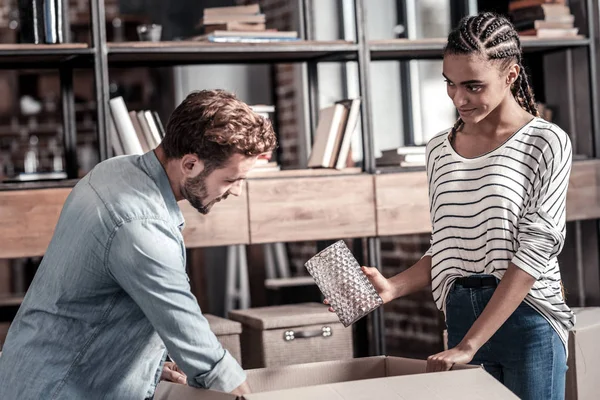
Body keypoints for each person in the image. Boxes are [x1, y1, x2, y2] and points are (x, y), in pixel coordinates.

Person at [328, 12, 573, 400]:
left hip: (528, 319)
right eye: (450, 83)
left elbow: (535, 251)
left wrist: (470, 345)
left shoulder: (545, 142)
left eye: (473, 86)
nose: (459, 98)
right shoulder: (439, 150)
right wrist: (392, 287)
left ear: (510, 76)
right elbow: (450, 246)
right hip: (461, 315)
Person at [0, 89, 277, 399]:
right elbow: (189, 333)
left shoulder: (115, 170)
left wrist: (146, 365)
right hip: (59, 389)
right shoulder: (141, 224)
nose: (237, 191)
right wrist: (242, 392)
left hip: (34, 370)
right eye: (230, 180)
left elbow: (92, 301)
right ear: (190, 165)